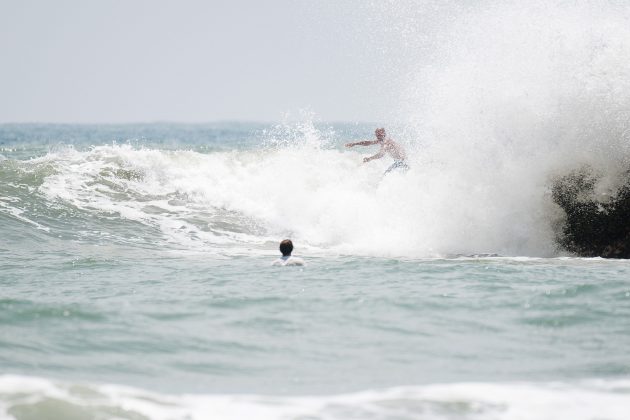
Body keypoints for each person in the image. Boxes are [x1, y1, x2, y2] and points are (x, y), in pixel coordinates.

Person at [345, 127, 409, 174]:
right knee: (387, 175)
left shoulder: (387, 142)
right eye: (376, 135)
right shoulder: (382, 140)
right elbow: (368, 143)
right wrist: (355, 144)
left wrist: (369, 159)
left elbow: (380, 155)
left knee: (386, 175)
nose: (377, 137)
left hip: (402, 162)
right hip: (399, 162)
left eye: (379, 135)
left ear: (383, 134)